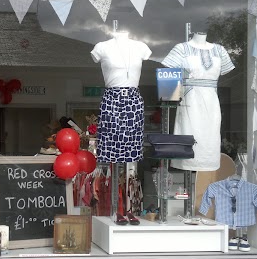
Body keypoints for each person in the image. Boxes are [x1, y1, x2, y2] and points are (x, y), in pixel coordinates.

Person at [162, 32, 235, 171]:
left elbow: (225, 69)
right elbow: (169, 77)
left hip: (211, 102)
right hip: (190, 101)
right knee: (189, 135)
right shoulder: (181, 48)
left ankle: (207, 161)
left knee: (210, 138)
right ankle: (186, 163)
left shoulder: (220, 51)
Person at [91, 31, 152, 163]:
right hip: (111, 99)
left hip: (133, 99)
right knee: (109, 138)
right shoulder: (102, 47)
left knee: (132, 140)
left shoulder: (141, 47)